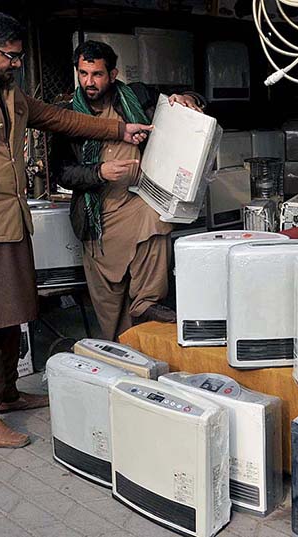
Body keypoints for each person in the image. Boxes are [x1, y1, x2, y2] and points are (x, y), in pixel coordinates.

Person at [0, 12, 152, 449]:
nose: (18, 64)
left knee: (10, 315)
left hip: (11, 223)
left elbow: (60, 120)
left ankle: (4, 394)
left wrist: (120, 128)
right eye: (12, 56)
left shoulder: (8, 92)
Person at [51, 40, 205, 340]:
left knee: (156, 218)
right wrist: (99, 171)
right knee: (111, 312)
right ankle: (124, 362)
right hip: (98, 216)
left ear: (112, 73)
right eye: (83, 74)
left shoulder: (134, 96)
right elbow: (63, 172)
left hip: (137, 199)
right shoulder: (69, 115)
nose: (89, 82)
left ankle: (147, 301)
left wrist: (186, 98)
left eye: (96, 74)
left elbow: (185, 95)